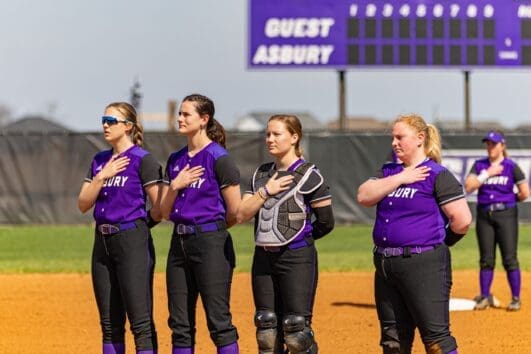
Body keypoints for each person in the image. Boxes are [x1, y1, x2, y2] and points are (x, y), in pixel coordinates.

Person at [357, 114, 471, 354]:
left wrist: (439, 244)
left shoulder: (437, 175)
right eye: (393, 138)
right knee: (393, 340)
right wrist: (401, 178)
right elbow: (364, 196)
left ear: (420, 138)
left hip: (422, 263)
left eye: (400, 137)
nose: (394, 143)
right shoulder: (389, 171)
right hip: (386, 265)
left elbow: (462, 221)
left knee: (436, 339)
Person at [237, 114, 334, 354]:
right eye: (267, 134)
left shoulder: (309, 174)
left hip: (296, 258)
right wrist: (265, 192)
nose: (269, 139)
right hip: (263, 258)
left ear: (294, 137)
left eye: (276, 134)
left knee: (296, 331)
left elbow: (325, 222)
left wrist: (298, 241)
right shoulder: (260, 175)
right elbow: (241, 214)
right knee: (266, 327)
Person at [77, 102, 162, 354]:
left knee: (140, 321)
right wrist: (102, 176)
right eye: (103, 119)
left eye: (111, 120)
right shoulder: (100, 160)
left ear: (127, 126)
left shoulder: (142, 160)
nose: (105, 124)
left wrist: (139, 226)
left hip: (131, 240)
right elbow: (83, 203)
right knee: (109, 323)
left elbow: (160, 207)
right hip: (102, 243)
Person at [160, 94, 241, 354]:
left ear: (204, 119)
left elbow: (235, 212)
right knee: (180, 323)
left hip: (210, 244)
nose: (180, 118)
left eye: (186, 114)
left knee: (218, 321)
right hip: (178, 243)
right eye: (180, 113)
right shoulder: (176, 160)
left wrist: (210, 231)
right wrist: (175, 186)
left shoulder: (219, 158)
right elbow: (163, 211)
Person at [464, 130, 529, 311]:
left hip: (506, 214)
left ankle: (515, 298)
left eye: (493, 143)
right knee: (486, 258)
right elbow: (468, 187)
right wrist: (488, 173)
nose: (490, 147)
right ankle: (485, 296)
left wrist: (509, 201)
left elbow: (525, 192)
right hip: (485, 215)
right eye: (488, 144)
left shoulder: (511, 166)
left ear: (502, 145)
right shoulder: (480, 165)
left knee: (509, 258)